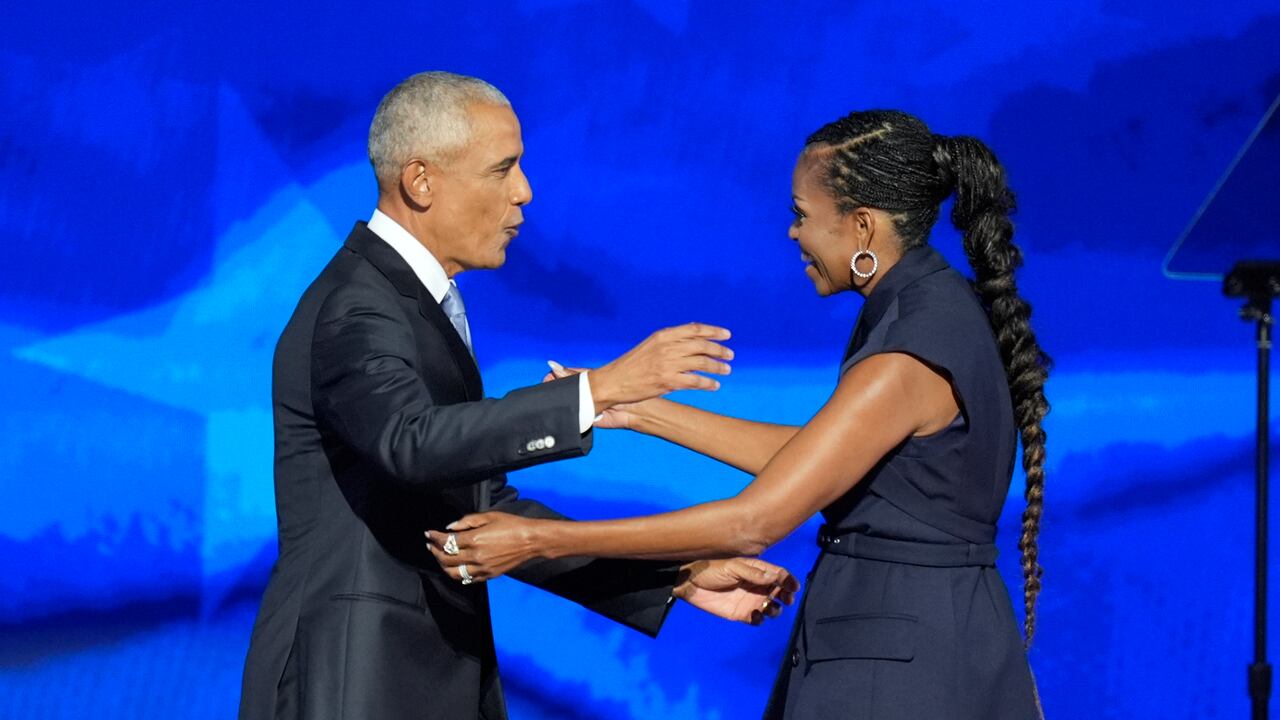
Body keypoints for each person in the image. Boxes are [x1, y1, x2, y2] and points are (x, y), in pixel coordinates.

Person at [428, 109, 1051, 719]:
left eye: (802, 215)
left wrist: (538, 539)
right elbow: (826, 458)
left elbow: (752, 522)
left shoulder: (909, 347)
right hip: (928, 640)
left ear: (862, 226)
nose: (793, 234)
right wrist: (641, 412)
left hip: (896, 668)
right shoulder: (929, 307)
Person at [238, 71, 798, 720]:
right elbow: (411, 443)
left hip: (426, 675)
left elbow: (480, 509)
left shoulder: (415, 304)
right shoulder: (357, 305)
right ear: (421, 181)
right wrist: (599, 389)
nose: (524, 192)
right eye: (502, 169)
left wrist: (676, 576)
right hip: (353, 680)